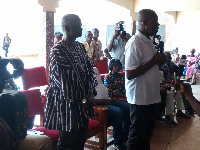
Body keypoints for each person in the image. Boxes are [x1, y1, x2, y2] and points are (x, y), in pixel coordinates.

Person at [45, 14, 97, 150]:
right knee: (67, 144)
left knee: (80, 142)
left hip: (83, 105)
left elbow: (89, 72)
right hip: (67, 106)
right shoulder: (57, 51)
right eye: (78, 26)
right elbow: (65, 82)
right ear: (67, 28)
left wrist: (91, 93)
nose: (81, 28)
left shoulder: (80, 47)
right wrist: (85, 99)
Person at [125, 9, 166, 150]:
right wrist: (155, 60)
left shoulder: (148, 41)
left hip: (150, 96)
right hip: (140, 97)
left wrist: (160, 60)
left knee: (146, 134)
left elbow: (152, 63)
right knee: (136, 136)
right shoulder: (134, 43)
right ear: (144, 23)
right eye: (155, 22)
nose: (158, 25)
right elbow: (129, 74)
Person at [93, 67, 130, 150]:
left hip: (108, 99)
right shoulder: (81, 73)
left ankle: (126, 137)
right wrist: (104, 100)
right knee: (118, 112)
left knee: (128, 107)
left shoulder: (95, 69)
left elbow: (101, 86)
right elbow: (87, 100)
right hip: (98, 104)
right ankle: (118, 142)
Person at [160, 52, 189, 125]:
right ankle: (168, 115)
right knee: (170, 94)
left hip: (172, 83)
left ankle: (179, 111)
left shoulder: (173, 64)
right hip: (164, 84)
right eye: (166, 57)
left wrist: (181, 66)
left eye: (169, 57)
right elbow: (160, 79)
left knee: (178, 92)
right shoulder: (161, 65)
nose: (168, 59)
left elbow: (179, 72)